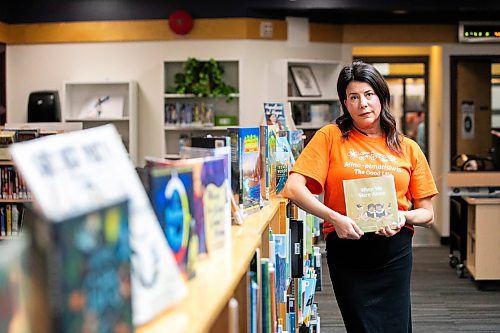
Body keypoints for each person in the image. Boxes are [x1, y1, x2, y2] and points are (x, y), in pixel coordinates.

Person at [282, 60, 438, 332]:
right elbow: (294, 188)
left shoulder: (408, 148)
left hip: (394, 252)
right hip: (347, 249)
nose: (362, 104)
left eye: (369, 95)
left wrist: (402, 217)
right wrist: (334, 218)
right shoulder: (330, 137)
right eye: (353, 97)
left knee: (396, 326)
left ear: (381, 97)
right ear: (345, 102)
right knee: (361, 326)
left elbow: (427, 213)